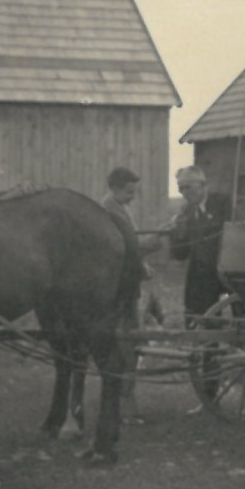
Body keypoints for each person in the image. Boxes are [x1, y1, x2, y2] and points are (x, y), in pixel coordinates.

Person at [99, 167, 166, 425]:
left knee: (129, 345)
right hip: (120, 289)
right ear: (115, 189)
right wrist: (159, 237)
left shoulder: (118, 207)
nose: (132, 197)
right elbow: (129, 249)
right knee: (127, 345)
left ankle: (124, 402)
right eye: (129, 192)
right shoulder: (110, 211)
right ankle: (125, 407)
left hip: (126, 285)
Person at [168, 166, 235, 328]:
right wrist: (181, 234)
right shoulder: (184, 213)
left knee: (241, 312)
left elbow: (231, 234)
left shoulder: (223, 203)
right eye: (180, 188)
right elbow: (180, 255)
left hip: (228, 268)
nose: (184, 192)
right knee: (198, 315)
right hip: (201, 273)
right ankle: (207, 349)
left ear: (203, 185)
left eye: (188, 187)